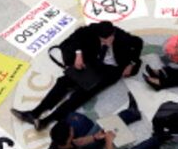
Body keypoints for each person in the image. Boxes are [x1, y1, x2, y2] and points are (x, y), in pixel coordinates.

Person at [12, 21, 143, 130]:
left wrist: (131, 63)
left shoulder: (122, 37)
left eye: (108, 39)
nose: (105, 42)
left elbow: (139, 43)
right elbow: (76, 36)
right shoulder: (93, 29)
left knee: (80, 95)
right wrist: (78, 54)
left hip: (111, 70)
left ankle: (46, 121)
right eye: (102, 40)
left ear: (113, 34)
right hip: (93, 62)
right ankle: (34, 113)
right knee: (64, 82)